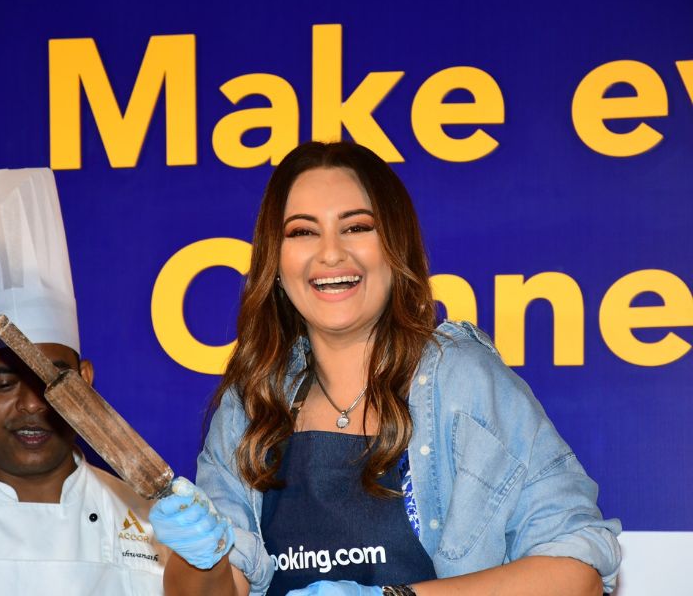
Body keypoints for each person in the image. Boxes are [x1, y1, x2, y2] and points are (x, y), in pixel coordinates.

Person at [149, 141, 621, 596]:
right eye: (303, 232)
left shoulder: (461, 381)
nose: (331, 252)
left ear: (396, 248)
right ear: (275, 261)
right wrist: (201, 557)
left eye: (356, 227)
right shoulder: (252, 404)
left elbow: (577, 574)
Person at [0, 168, 167, 595]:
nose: (34, 404)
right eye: (4, 383)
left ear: (85, 383)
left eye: (52, 380)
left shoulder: (157, 531)